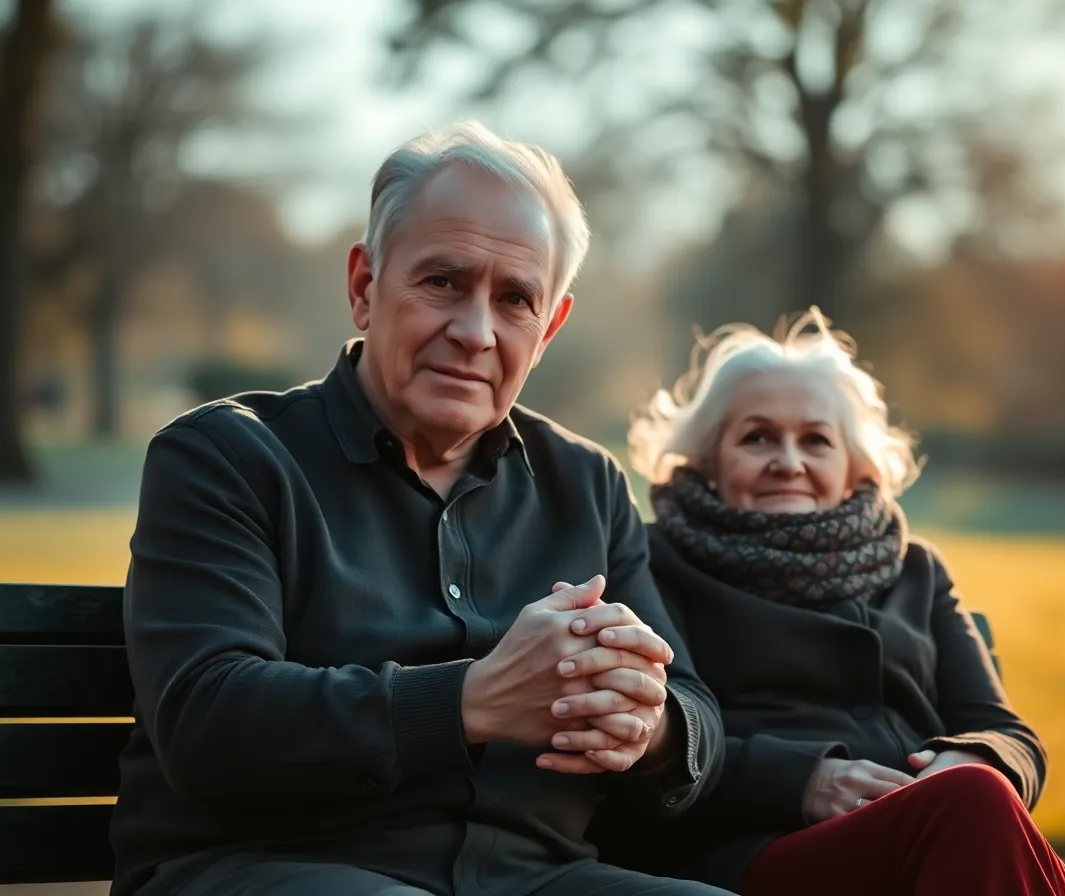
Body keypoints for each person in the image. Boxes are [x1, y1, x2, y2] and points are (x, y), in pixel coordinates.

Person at [110, 122, 730, 896]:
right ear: (365, 286)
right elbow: (207, 720)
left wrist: (652, 725)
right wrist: (470, 700)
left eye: (514, 300)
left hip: (534, 880)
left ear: (548, 330)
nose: (474, 332)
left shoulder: (588, 484)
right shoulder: (227, 458)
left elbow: (696, 717)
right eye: (442, 282)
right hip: (264, 869)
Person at [609, 310, 1065, 895]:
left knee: (976, 794)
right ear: (707, 459)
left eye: (816, 440)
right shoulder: (654, 563)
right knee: (973, 808)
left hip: (933, 828)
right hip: (748, 857)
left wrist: (972, 762)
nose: (790, 461)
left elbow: (1006, 734)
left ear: (854, 465)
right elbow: (649, 742)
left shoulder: (918, 569)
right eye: (757, 437)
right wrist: (802, 780)